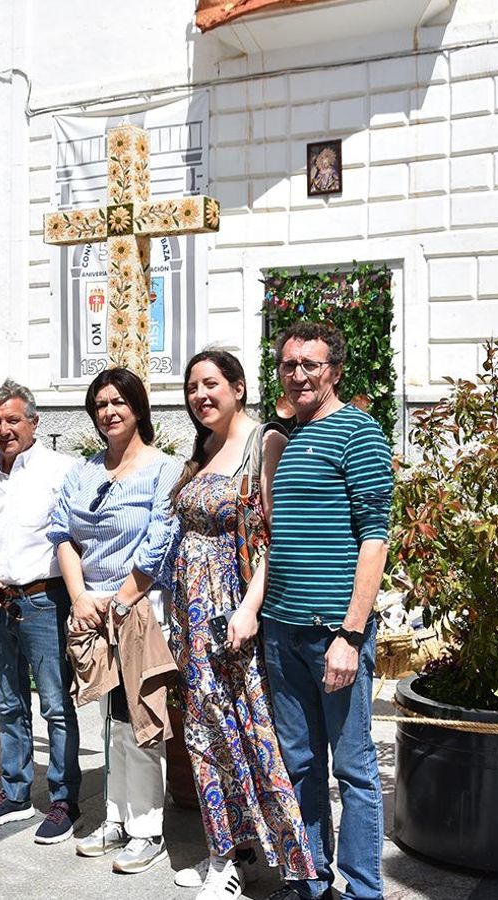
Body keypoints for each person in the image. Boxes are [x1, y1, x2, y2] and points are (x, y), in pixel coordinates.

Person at [166, 350, 316, 898]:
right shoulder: (204, 447)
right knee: (206, 734)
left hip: (231, 612)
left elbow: (276, 538)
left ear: (238, 386)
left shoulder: (264, 442)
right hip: (191, 615)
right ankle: (230, 852)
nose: (200, 396)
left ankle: (255, 857)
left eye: (211, 384)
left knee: (244, 730)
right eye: (192, 387)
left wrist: (250, 607)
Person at [263, 322, 393, 900]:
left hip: (330, 634)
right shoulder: (290, 438)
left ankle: (364, 890)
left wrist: (350, 633)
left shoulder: (358, 431)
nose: (298, 375)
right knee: (300, 765)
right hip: (281, 630)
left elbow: (375, 537)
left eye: (310, 365)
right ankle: (313, 880)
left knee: (354, 768)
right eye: (289, 364)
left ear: (335, 371)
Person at [52, 368, 180, 874]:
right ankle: (116, 817)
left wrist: (121, 601)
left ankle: (147, 828)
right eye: (100, 403)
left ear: (139, 408)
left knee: (140, 715)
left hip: (140, 607)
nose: (109, 411)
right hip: (92, 607)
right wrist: (81, 597)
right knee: (108, 719)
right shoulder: (83, 471)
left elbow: (158, 542)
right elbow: (62, 533)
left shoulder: (163, 469)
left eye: (119, 402)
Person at [0, 380, 81, 841]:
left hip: (45, 602)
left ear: (34, 422)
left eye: (13, 420)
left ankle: (64, 800)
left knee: (55, 704)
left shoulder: (62, 470)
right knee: (8, 703)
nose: (4, 429)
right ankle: (13, 793)